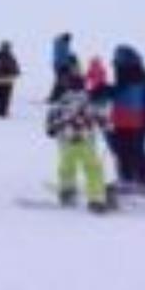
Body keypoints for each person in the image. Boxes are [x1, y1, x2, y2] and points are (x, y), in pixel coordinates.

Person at [45, 58, 109, 213]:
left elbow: (52, 118)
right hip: (86, 140)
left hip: (66, 141)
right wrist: (106, 125)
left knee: (67, 168)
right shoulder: (88, 101)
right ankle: (96, 199)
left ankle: (67, 191)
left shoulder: (62, 102)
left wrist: (51, 129)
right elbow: (100, 116)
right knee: (93, 169)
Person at [102, 45, 145, 195]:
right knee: (126, 149)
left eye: (116, 62)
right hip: (128, 120)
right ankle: (135, 178)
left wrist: (104, 91)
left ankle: (142, 180)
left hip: (136, 120)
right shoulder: (133, 76)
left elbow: (122, 92)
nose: (114, 65)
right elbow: (119, 92)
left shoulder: (135, 77)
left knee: (132, 149)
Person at [0, 41, 20, 117]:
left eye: (7, 47)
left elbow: (15, 66)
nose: (6, 49)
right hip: (0, 79)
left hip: (8, 80)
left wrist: (16, 72)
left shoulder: (11, 56)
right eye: (5, 47)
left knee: (6, 96)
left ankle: (3, 111)